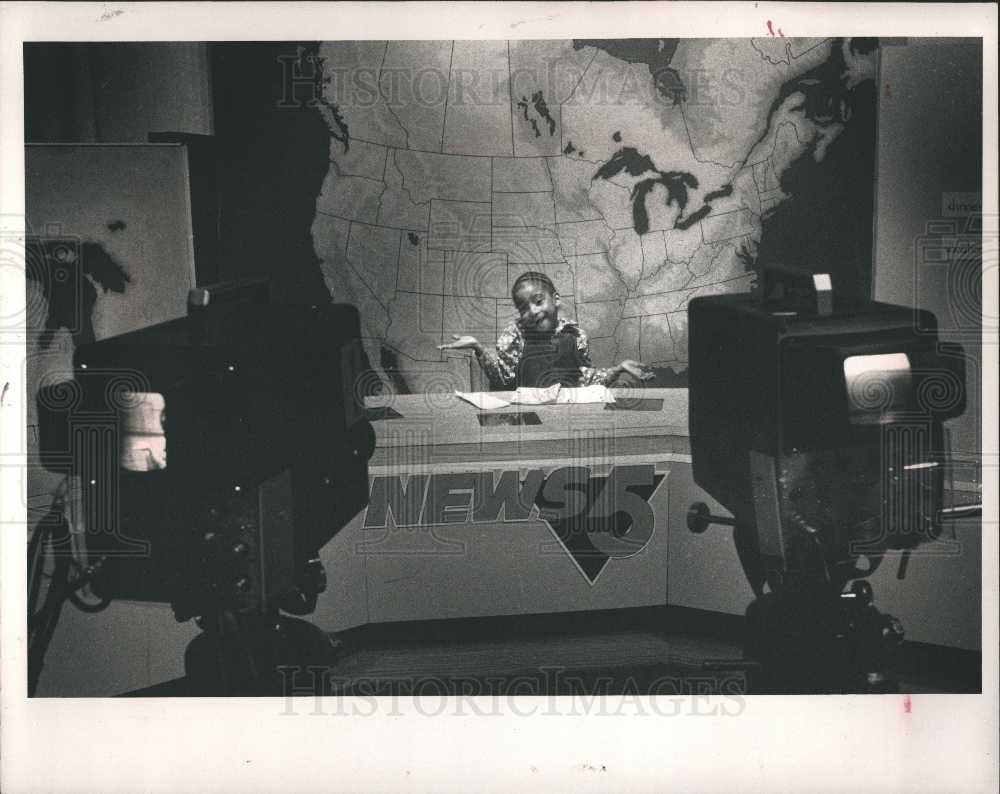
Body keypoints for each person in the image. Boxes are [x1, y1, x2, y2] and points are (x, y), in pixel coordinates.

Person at [438, 271, 652, 390]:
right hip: (529, 416)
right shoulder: (515, 334)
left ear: (555, 299)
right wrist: (477, 347)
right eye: (523, 307)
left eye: (538, 301)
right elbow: (503, 379)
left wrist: (618, 369)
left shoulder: (576, 335)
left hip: (567, 414)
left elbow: (585, 380)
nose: (532, 311)